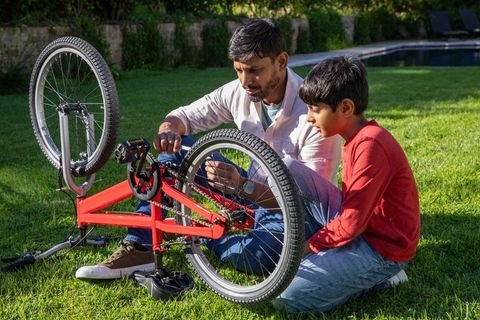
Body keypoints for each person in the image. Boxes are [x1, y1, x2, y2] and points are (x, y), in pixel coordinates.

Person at [75, 18, 341, 280]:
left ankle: (193, 232)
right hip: (248, 190)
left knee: (258, 258)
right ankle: (140, 245)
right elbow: (184, 117)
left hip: (290, 213)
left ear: (281, 61)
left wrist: (242, 186)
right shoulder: (241, 90)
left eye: (254, 70)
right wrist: (168, 130)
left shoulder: (315, 115)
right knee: (178, 148)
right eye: (238, 70)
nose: (245, 80)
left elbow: (307, 203)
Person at [271, 56, 421, 313]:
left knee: (286, 297)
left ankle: (381, 277)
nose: (309, 118)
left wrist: (306, 248)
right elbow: (353, 214)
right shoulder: (355, 137)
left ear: (346, 108)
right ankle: (340, 266)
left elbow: (352, 223)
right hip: (363, 226)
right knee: (285, 167)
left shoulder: (371, 144)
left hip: (382, 248)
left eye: (316, 109)